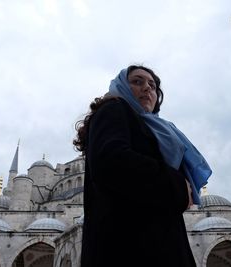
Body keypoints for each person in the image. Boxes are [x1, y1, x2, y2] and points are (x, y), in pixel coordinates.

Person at [74, 65, 212, 267]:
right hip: (129, 246)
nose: (148, 88)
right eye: (137, 82)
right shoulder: (113, 109)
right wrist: (178, 186)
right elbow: (112, 161)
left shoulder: (153, 127)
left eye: (153, 85)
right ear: (121, 86)